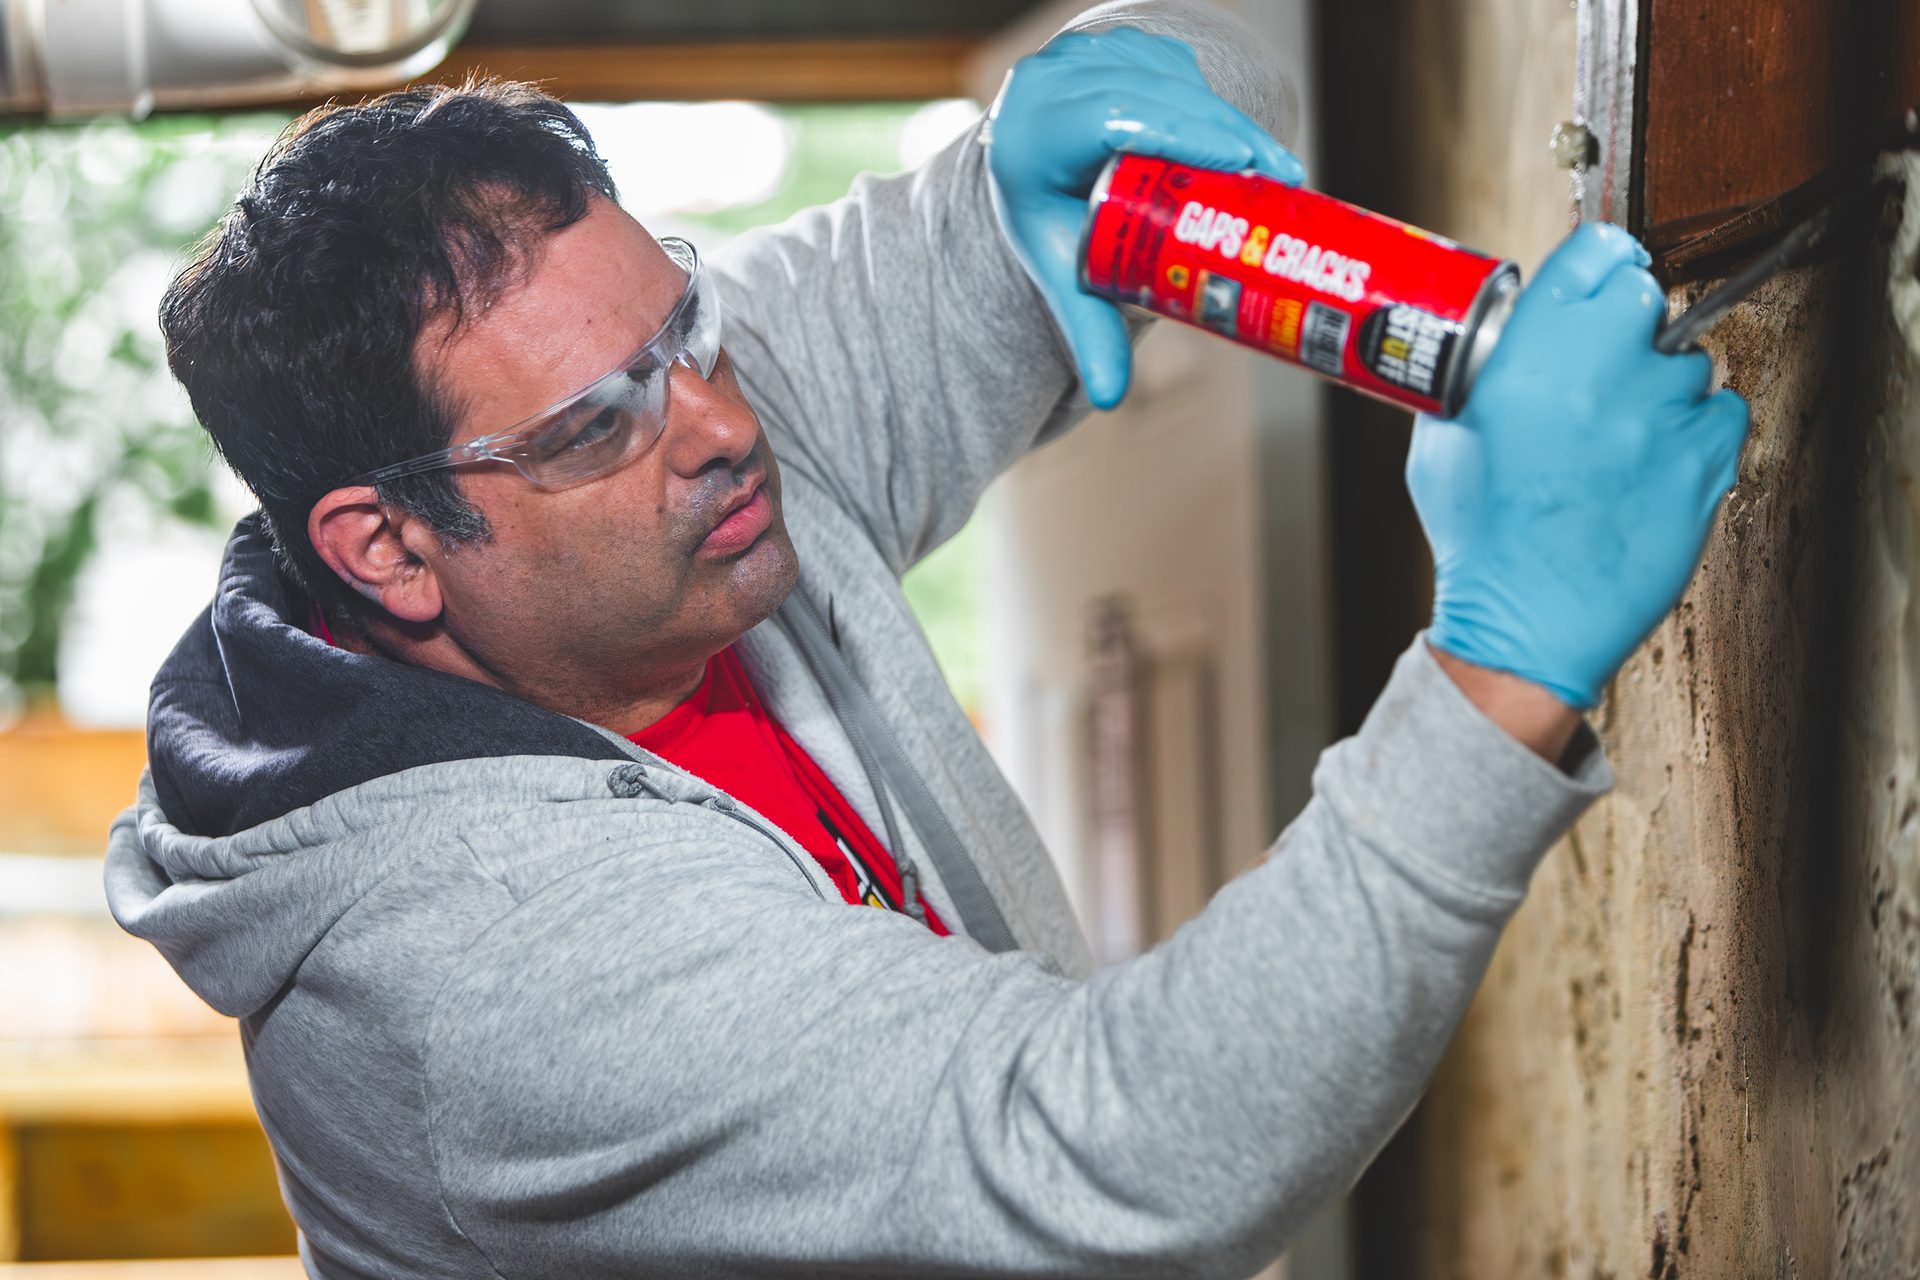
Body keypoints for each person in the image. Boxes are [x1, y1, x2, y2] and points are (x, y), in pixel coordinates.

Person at [105, 0, 1747, 1275]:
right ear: (389, 546)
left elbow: (1160, 120)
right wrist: (1499, 664)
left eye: (684, 324)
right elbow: (1135, 1157)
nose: (719, 425)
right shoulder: (483, 973)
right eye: (600, 421)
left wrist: (1133, 76)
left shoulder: (647, 453)